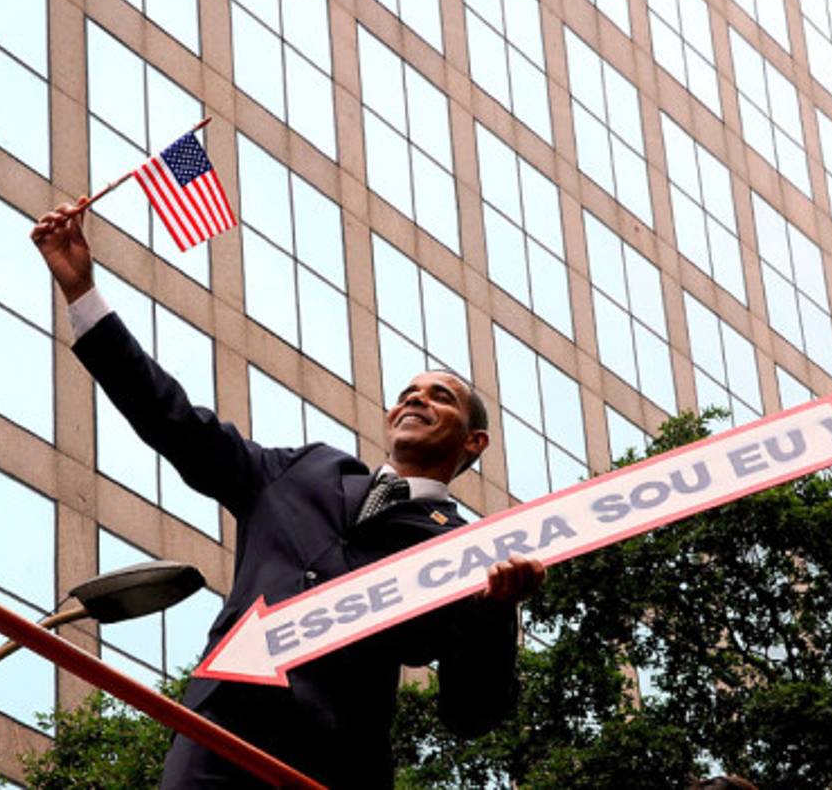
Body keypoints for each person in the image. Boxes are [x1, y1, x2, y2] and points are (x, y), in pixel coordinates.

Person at [32, 199, 547, 788]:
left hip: (333, 764)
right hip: (217, 741)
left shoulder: (467, 551)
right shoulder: (305, 470)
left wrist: (499, 611)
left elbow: (471, 713)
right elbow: (174, 422)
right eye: (409, 391)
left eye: (440, 397)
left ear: (473, 442)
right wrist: (83, 295)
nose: (417, 400)